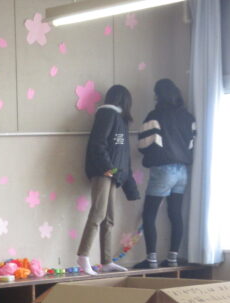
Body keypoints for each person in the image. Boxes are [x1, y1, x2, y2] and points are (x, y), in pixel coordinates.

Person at [77, 84, 141, 275]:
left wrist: (128, 184)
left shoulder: (120, 120)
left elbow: (122, 155)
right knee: (98, 214)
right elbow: (98, 144)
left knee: (109, 218)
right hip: (104, 173)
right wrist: (108, 168)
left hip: (113, 174)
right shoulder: (107, 114)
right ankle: (83, 256)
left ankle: (106, 261)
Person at [136, 78, 196, 268]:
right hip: (183, 170)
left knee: (149, 213)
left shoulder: (155, 116)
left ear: (158, 95)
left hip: (163, 169)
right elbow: (191, 144)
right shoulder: (188, 117)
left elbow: (144, 143)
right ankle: (172, 259)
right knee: (175, 214)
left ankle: (151, 259)